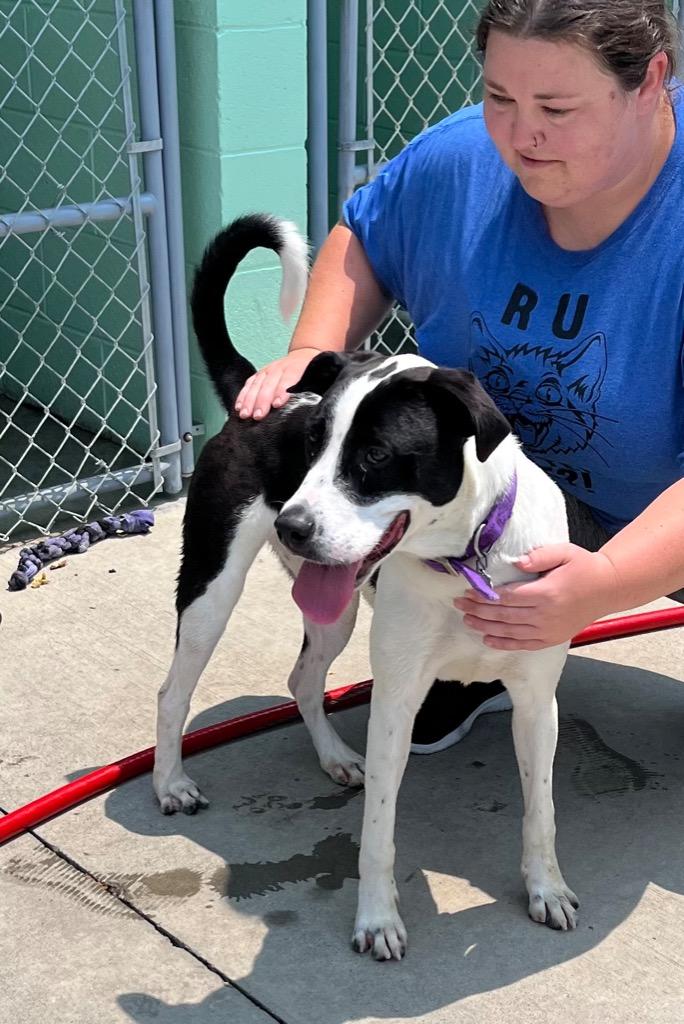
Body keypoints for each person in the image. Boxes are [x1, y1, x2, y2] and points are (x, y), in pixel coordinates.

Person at [234, 0, 684, 752]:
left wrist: (605, 583)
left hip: (656, 503)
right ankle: (462, 665)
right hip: (486, 496)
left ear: (651, 82)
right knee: (367, 492)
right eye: (499, 97)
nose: (520, 134)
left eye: (556, 107)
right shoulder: (459, 159)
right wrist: (311, 357)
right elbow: (366, 234)